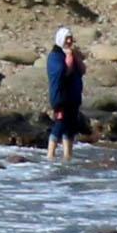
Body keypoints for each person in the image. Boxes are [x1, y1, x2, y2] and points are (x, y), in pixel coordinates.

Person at [43, 26, 88, 156]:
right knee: (59, 124)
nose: (69, 41)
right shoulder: (55, 56)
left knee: (70, 128)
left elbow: (82, 70)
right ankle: (50, 155)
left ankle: (67, 156)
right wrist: (68, 57)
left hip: (73, 98)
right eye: (66, 39)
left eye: (70, 38)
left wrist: (75, 56)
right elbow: (63, 73)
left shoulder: (71, 54)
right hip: (61, 98)